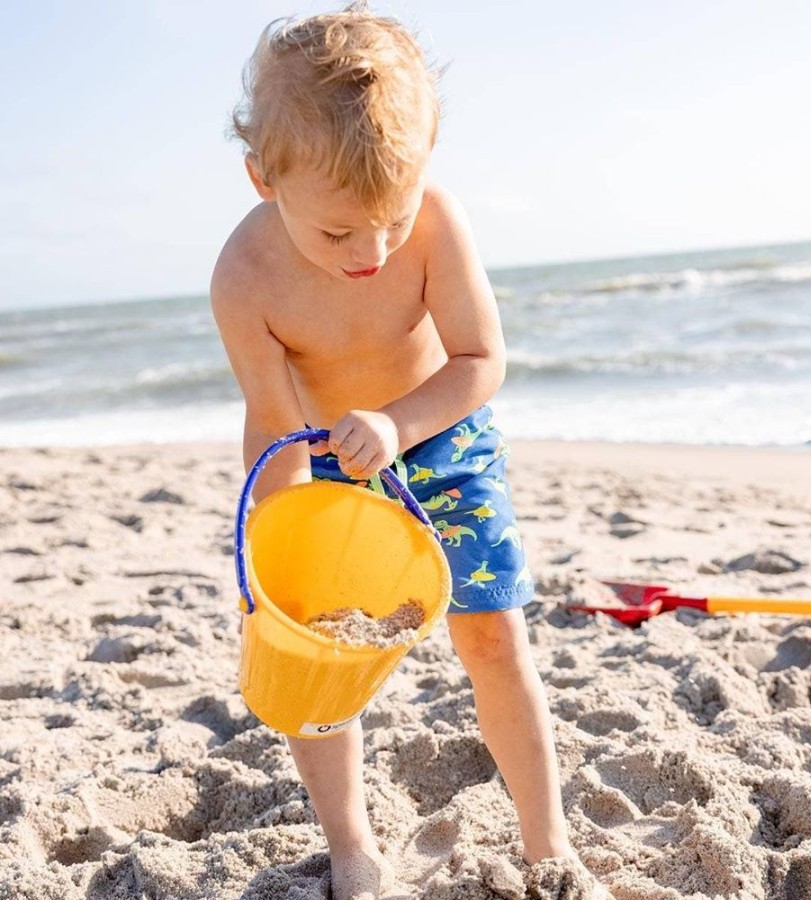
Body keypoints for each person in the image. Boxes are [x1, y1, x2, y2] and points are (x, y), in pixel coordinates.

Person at [211, 5, 607, 898]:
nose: (373, 250)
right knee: (314, 657)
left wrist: (396, 423)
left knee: (496, 637)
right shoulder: (244, 277)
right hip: (320, 467)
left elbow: (480, 361)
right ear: (263, 180)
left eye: (389, 217)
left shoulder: (434, 223)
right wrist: (278, 536)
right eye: (338, 232)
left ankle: (549, 844)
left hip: (441, 442)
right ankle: (352, 846)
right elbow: (272, 419)